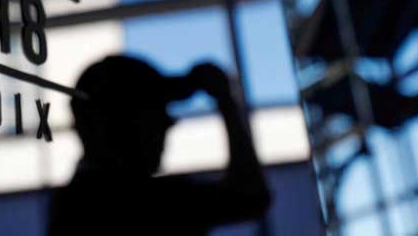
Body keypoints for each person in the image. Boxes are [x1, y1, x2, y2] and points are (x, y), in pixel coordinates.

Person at [48, 56, 272, 235]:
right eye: (155, 117)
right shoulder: (149, 204)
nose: (166, 128)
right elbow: (249, 197)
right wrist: (226, 103)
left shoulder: (75, 205)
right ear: (117, 126)